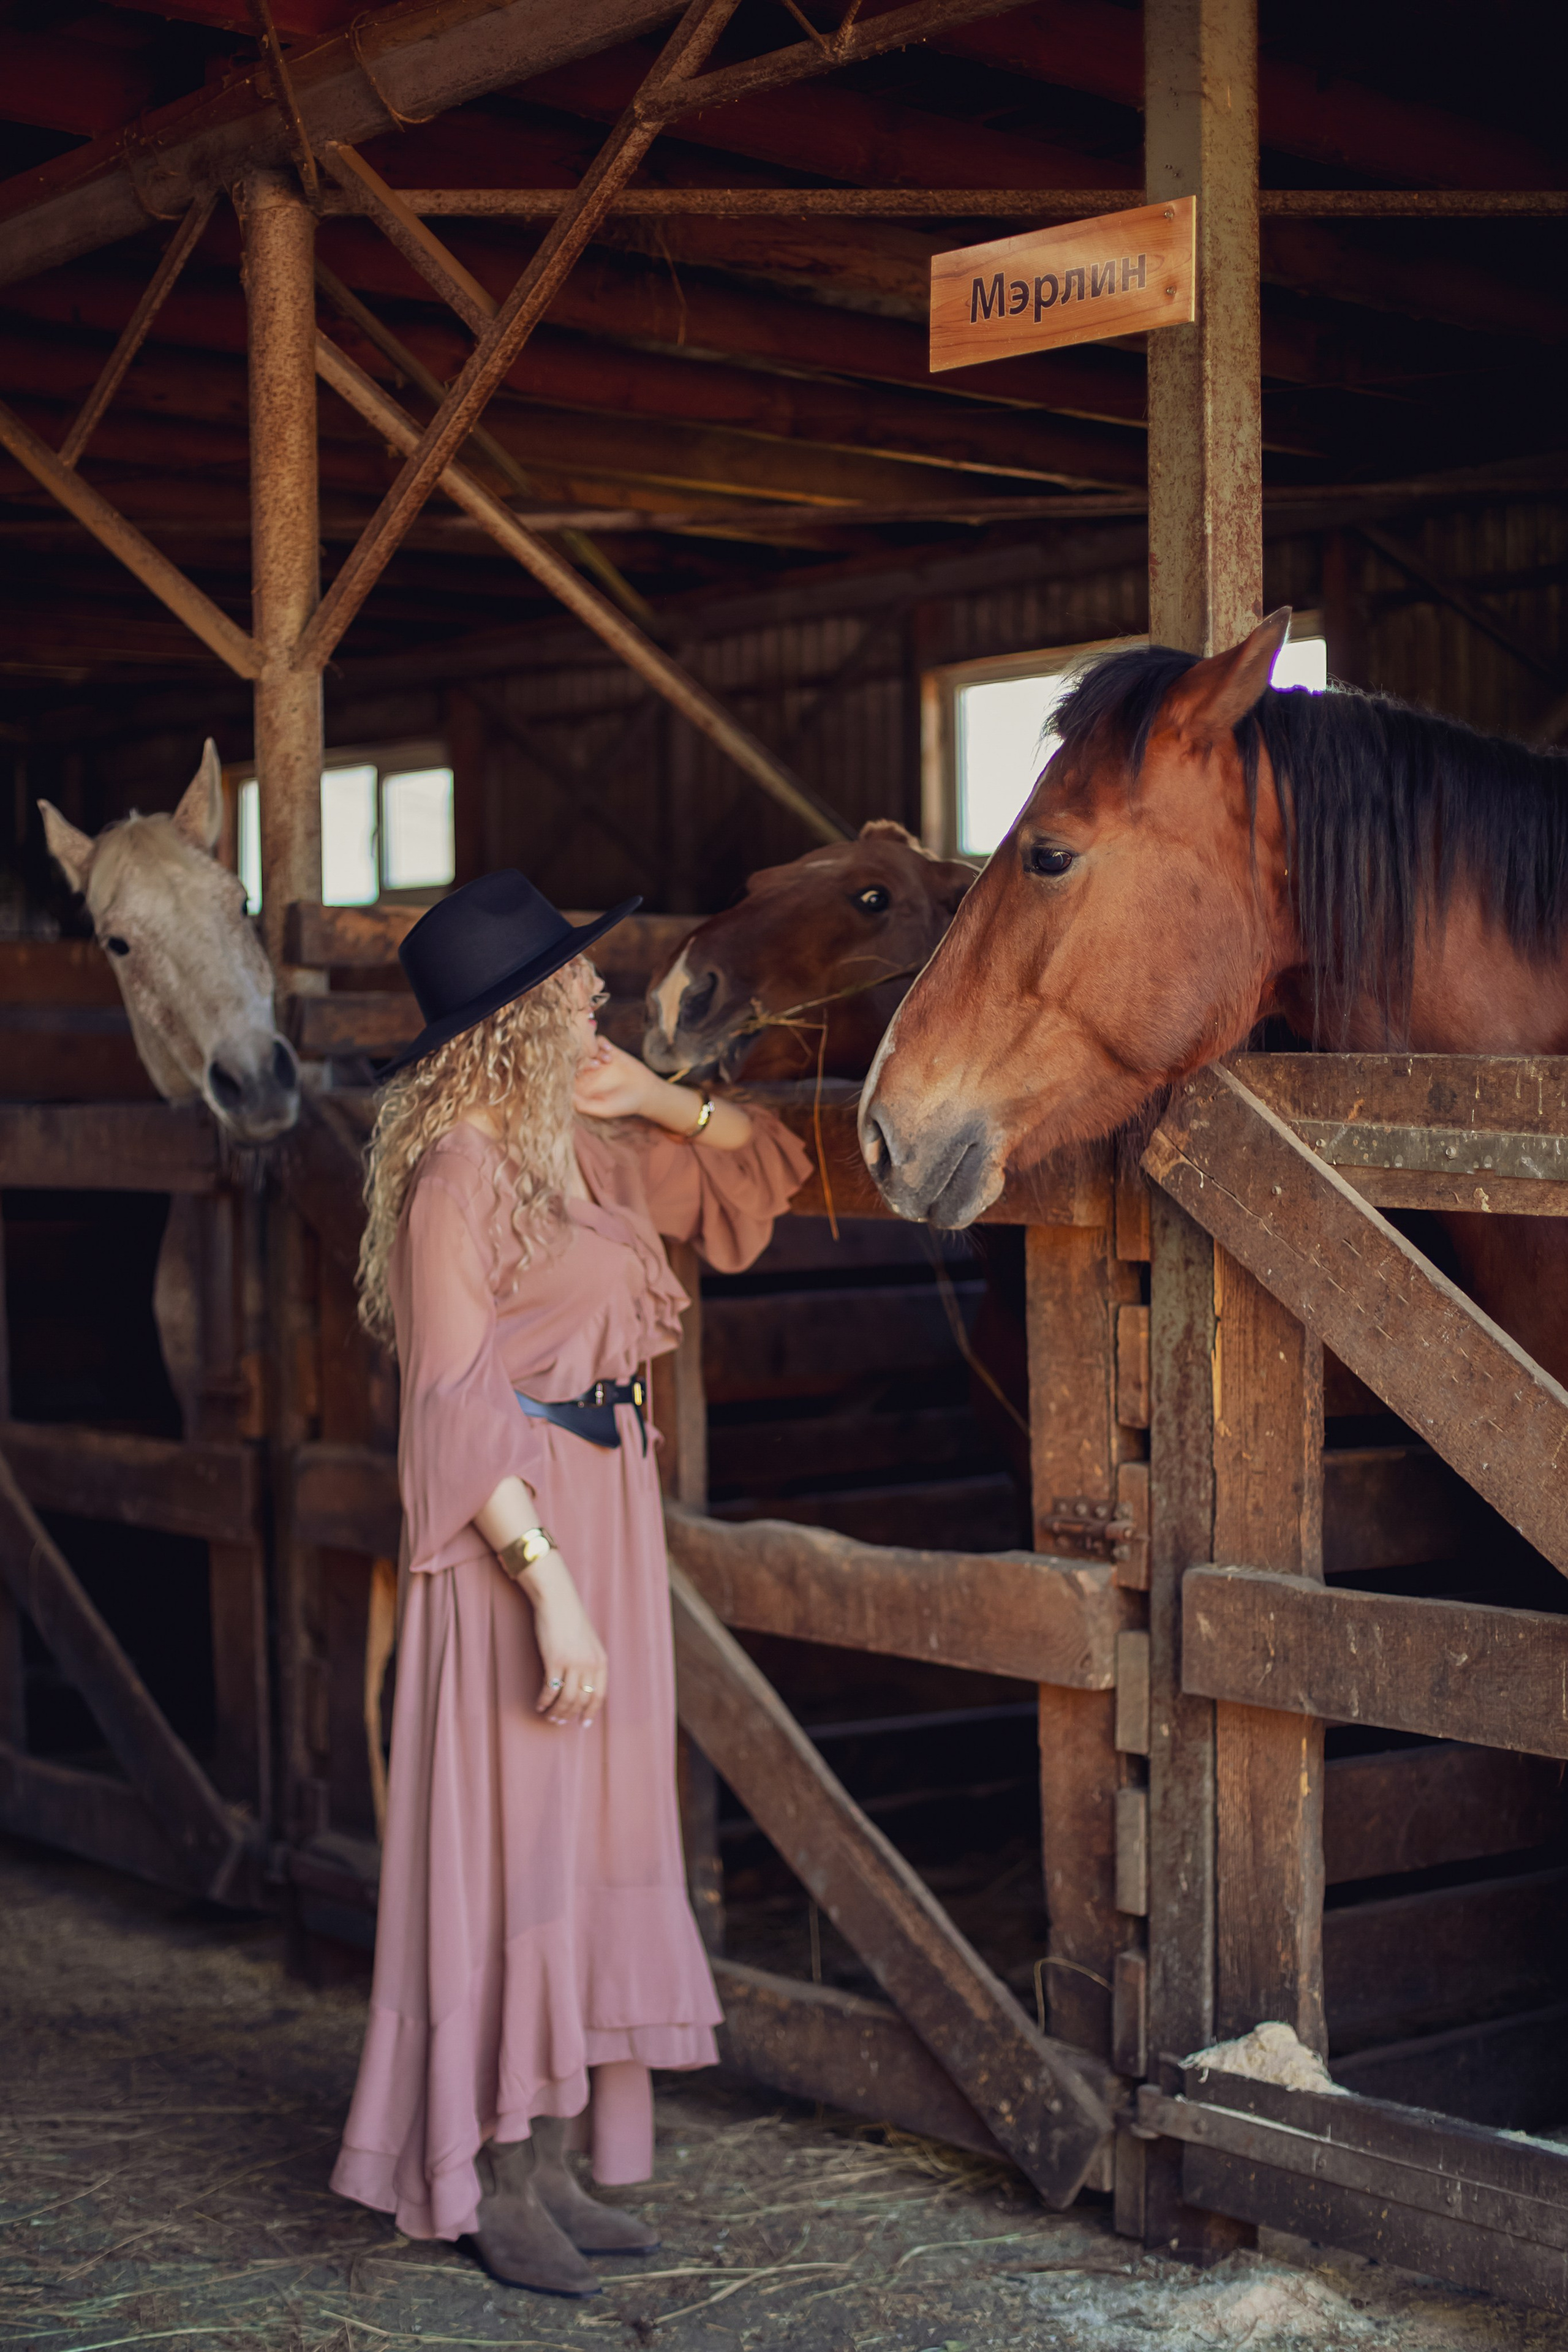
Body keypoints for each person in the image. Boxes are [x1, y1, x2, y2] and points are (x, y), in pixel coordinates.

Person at [330, 870, 809, 2294]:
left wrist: (655, 1101)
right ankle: (481, 2172)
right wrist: (546, 1586)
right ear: (514, 1019)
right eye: (573, 985)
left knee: (589, 1829)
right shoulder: (458, 1179)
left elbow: (758, 1172)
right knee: (513, 1839)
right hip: (516, 1536)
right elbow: (451, 1405)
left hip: (607, 1501)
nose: (597, 995)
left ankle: (541, 2158)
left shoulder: (581, 1146)